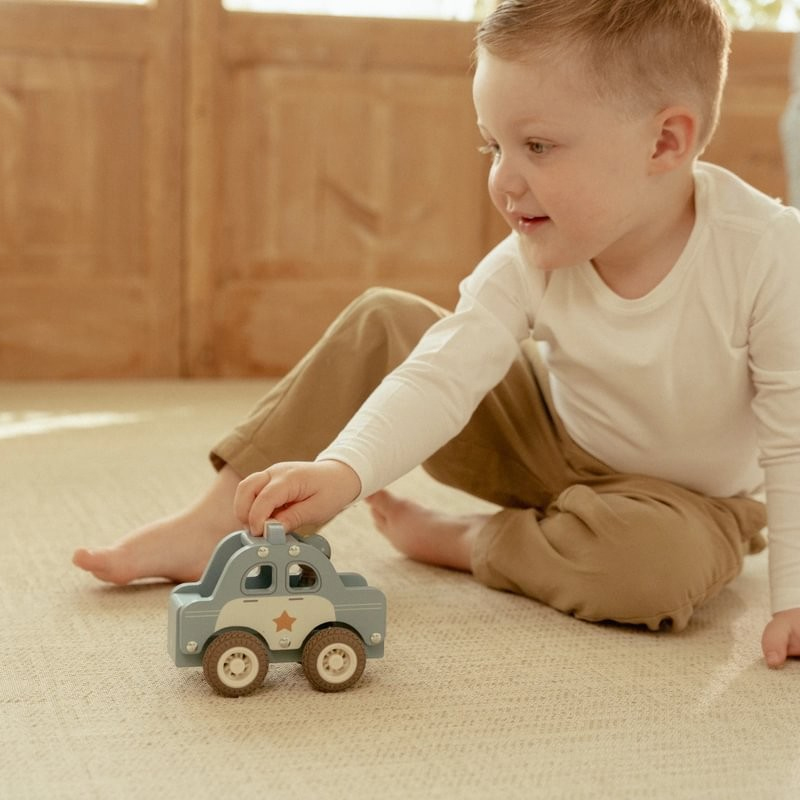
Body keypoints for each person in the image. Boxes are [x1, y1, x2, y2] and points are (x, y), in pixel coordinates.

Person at [74, 0, 800, 669]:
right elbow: (443, 373)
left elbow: (792, 438)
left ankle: (466, 541)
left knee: (653, 571)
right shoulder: (530, 255)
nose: (504, 181)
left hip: (686, 505)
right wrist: (345, 471)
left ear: (665, 141)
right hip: (547, 439)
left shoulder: (765, 254)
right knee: (386, 319)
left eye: (538, 146)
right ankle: (218, 521)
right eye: (493, 147)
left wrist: (794, 598)